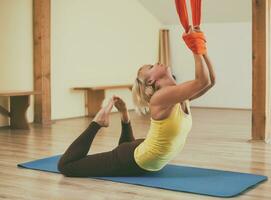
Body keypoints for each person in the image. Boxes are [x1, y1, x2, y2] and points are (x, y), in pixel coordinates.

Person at [57, 27, 216, 177]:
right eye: (152, 66)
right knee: (66, 166)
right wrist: (196, 47)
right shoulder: (160, 98)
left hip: (141, 152)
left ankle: (125, 117)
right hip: (134, 161)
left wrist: (202, 48)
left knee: (128, 147)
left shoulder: (179, 98)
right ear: (150, 81)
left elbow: (210, 82)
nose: (158, 62)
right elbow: (202, 81)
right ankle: (97, 122)